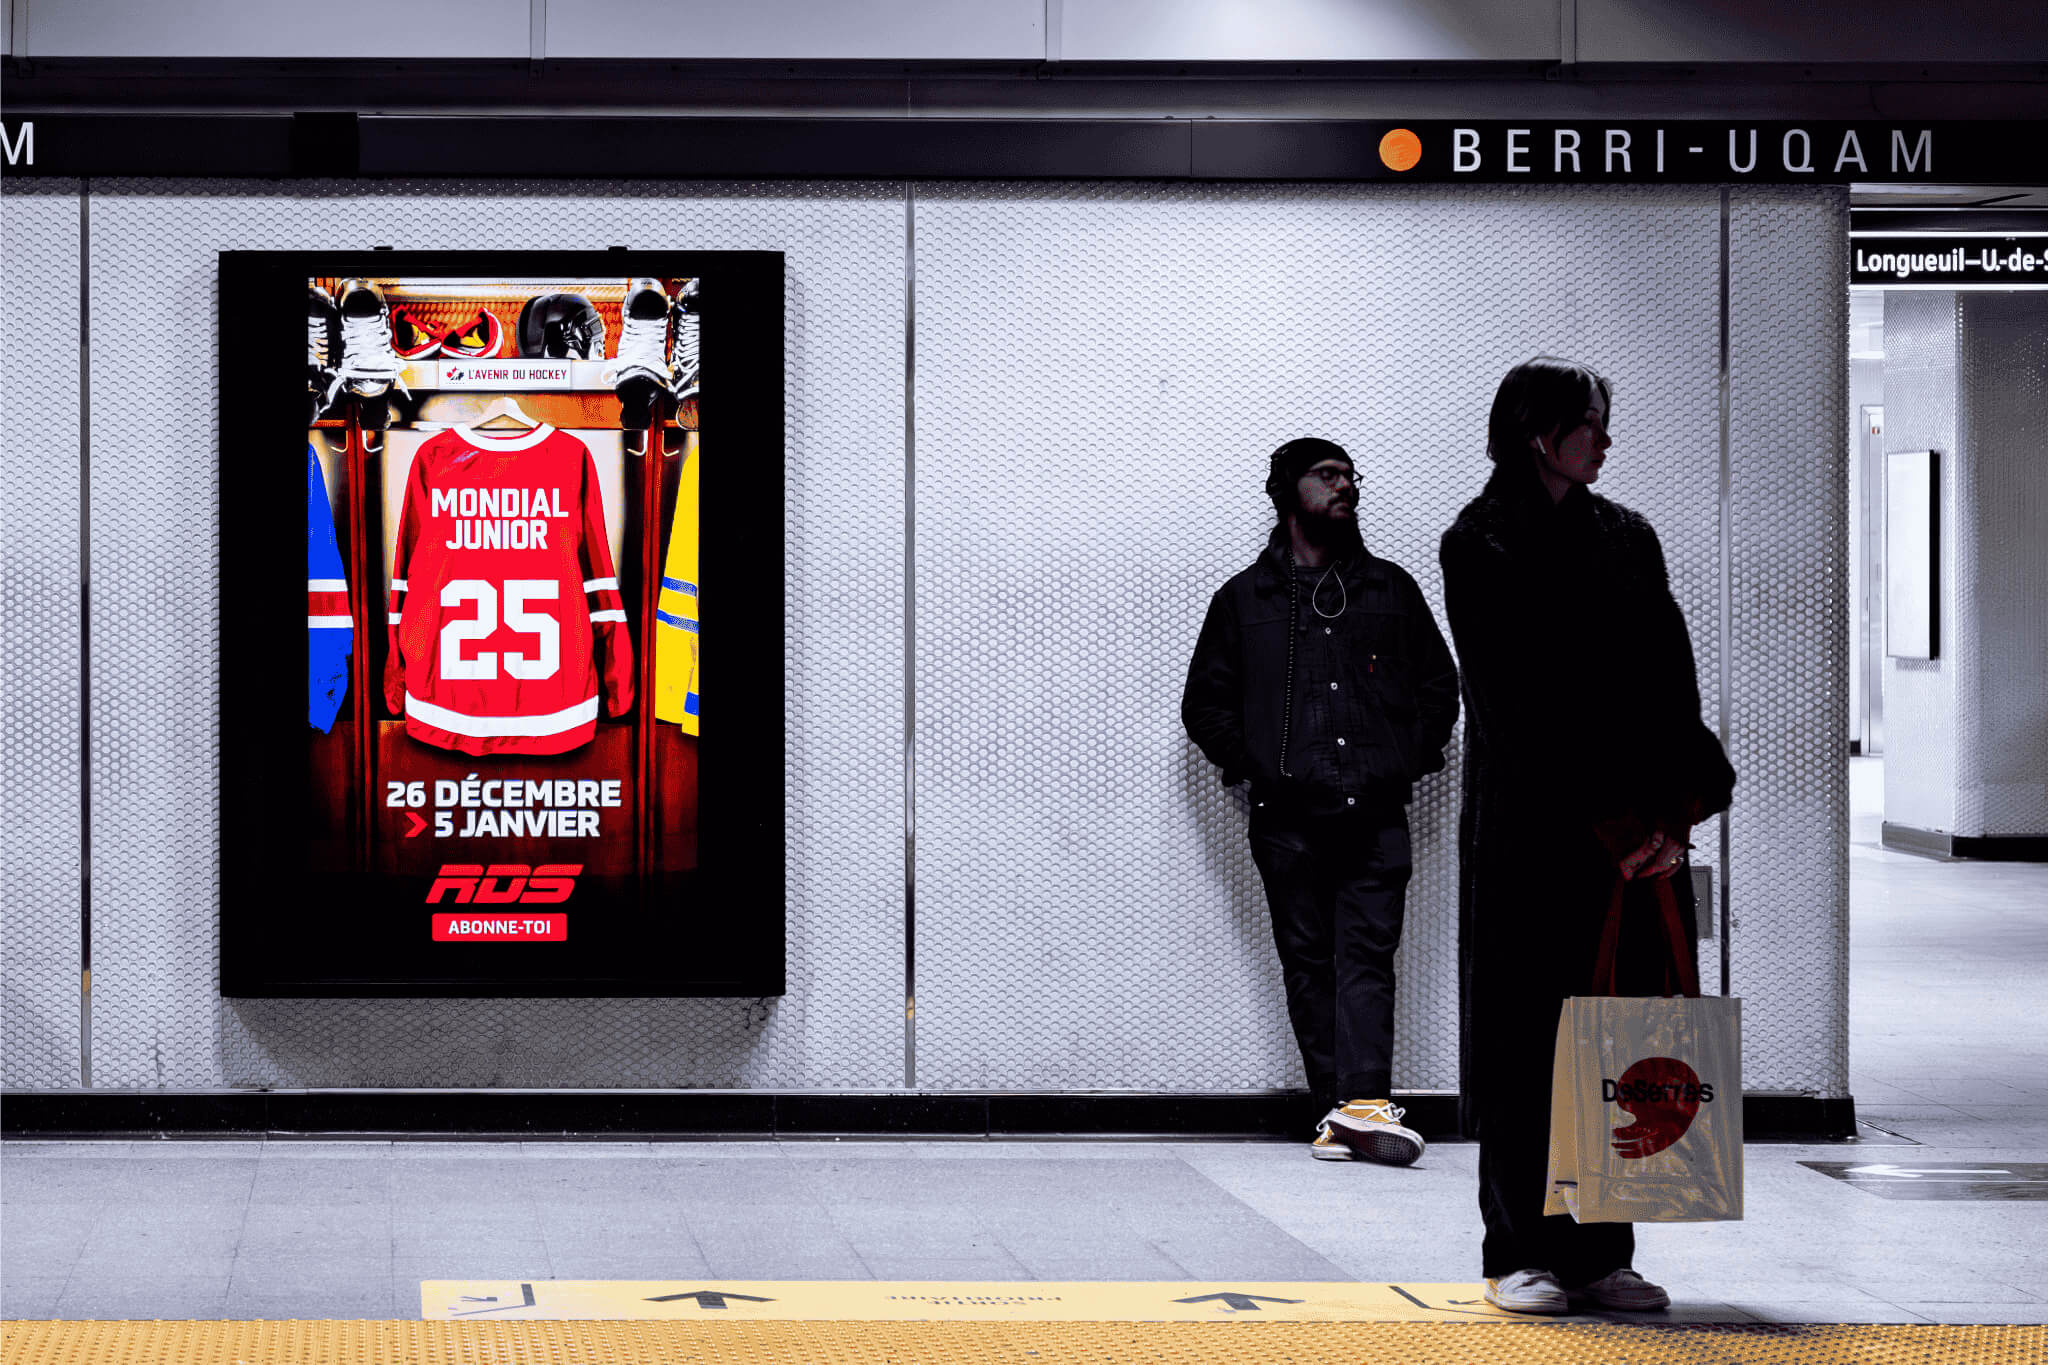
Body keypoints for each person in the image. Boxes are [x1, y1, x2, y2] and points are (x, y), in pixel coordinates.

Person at [1438, 357, 1736, 1315]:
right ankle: (1517, 1248)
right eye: (1592, 423)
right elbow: (1515, 707)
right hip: (1536, 831)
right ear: (1539, 430)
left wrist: (1675, 812)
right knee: (1530, 1041)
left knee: (1622, 1038)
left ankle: (1603, 1249)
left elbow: (1670, 681)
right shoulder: (1479, 542)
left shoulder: (1628, 536)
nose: (1607, 439)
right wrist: (1615, 823)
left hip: (1636, 836)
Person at [1183, 437, 1460, 1166]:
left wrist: (1404, 759)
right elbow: (1204, 704)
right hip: (1287, 819)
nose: (1346, 487)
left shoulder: (1391, 590)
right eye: (1327, 475)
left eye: (1350, 476)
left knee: (1367, 954)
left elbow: (1440, 688)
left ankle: (1361, 1105)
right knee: (1307, 960)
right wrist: (1260, 770)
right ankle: (1336, 1111)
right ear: (1285, 489)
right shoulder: (1244, 599)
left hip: (1374, 813)